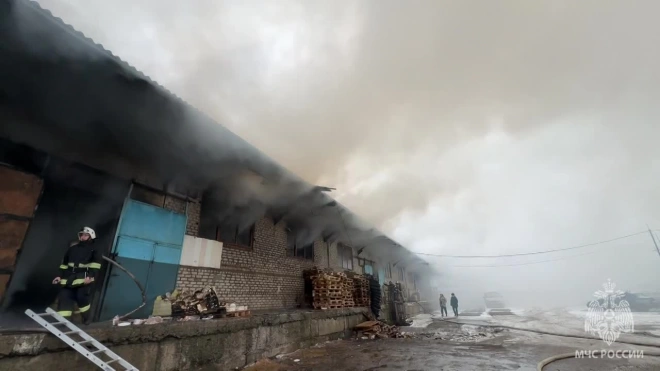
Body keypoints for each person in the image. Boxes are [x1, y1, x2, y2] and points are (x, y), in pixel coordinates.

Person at [52, 227, 102, 324]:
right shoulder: (72, 249)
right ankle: (63, 323)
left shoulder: (94, 250)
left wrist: (90, 277)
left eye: (86, 235)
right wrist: (59, 276)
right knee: (64, 298)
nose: (83, 237)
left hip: (83, 278)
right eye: (82, 235)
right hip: (68, 278)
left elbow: (96, 266)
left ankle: (87, 317)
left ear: (91, 237)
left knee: (81, 298)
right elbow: (64, 265)